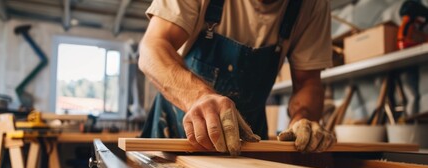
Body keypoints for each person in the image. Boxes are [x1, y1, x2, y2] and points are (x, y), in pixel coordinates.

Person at [139, 0, 336, 156]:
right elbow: (153, 47)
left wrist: (304, 119)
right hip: (174, 133)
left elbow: (308, 83)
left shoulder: (312, 4)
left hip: (246, 144)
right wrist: (200, 97)